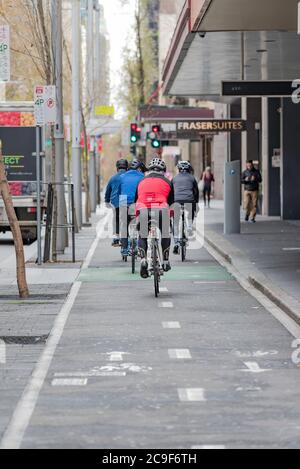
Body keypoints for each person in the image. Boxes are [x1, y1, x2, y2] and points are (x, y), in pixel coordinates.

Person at [135, 157, 174, 279]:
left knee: (142, 234)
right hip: (161, 209)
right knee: (165, 233)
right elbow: (172, 202)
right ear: (163, 170)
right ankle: (166, 261)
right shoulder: (168, 182)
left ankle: (143, 260)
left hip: (143, 209)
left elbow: (136, 199)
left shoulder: (141, 181)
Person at [118, 159, 145, 257]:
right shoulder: (142, 177)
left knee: (124, 224)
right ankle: (139, 246)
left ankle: (125, 249)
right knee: (141, 224)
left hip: (123, 200)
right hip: (136, 201)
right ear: (138, 168)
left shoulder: (122, 176)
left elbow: (119, 191)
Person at [172, 161, 200, 255]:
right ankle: (189, 226)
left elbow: (171, 192)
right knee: (191, 210)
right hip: (189, 200)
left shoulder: (174, 178)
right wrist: (196, 203)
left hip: (177, 201)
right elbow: (196, 192)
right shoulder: (192, 178)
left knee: (175, 221)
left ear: (179, 169)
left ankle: (176, 242)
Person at [105, 159, 128, 246]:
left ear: (117, 168)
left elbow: (108, 191)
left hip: (116, 201)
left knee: (116, 218)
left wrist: (106, 201)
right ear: (127, 168)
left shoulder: (113, 178)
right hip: (127, 200)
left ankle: (116, 237)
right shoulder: (128, 177)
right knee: (127, 219)